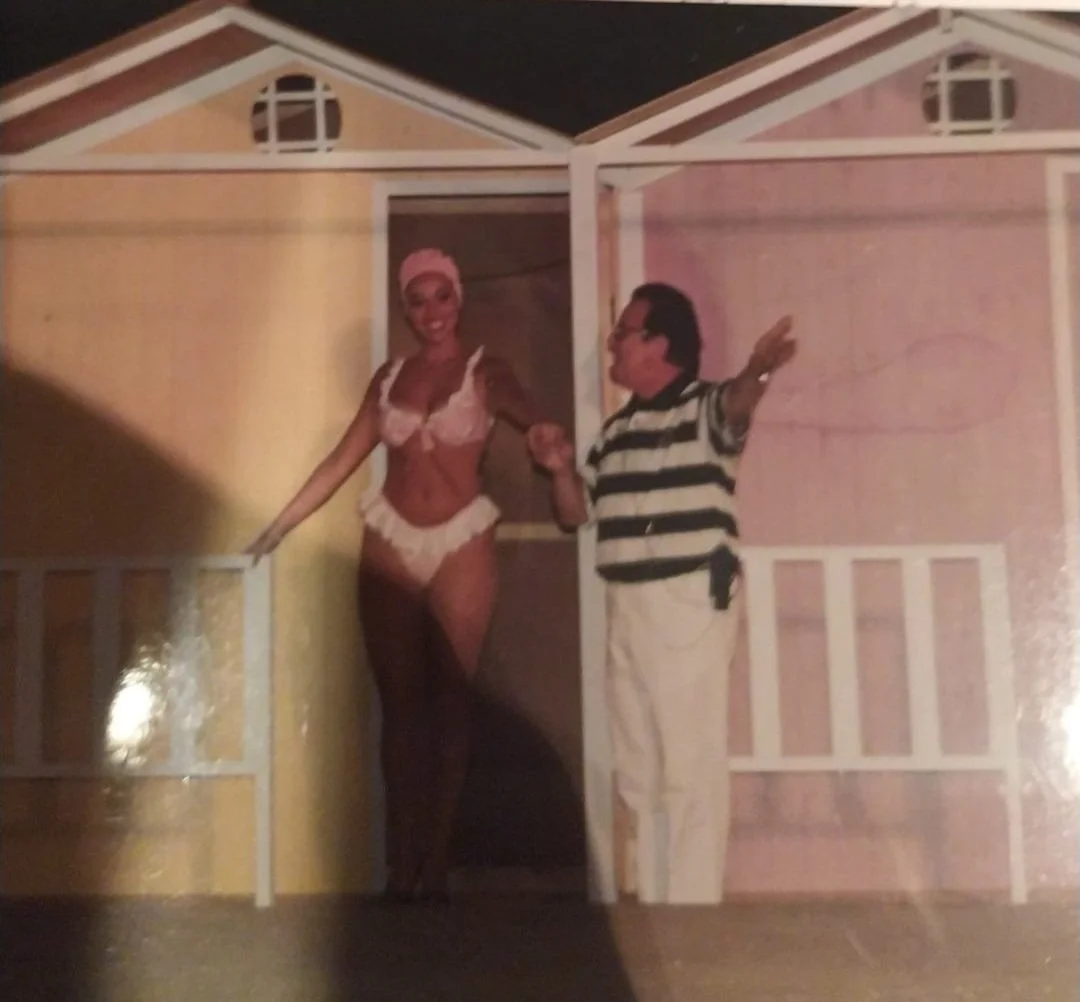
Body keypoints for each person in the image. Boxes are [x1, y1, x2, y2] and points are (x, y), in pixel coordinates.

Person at [248, 248, 562, 903]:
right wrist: (279, 525)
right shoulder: (389, 379)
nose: (431, 312)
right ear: (406, 310)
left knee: (451, 700)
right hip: (390, 534)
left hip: (461, 539)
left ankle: (436, 863)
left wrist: (544, 436)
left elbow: (530, 416)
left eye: (441, 296)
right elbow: (341, 461)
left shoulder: (486, 369)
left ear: (458, 298)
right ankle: (402, 866)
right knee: (400, 706)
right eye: (417, 301)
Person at [527, 282, 795, 905]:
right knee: (638, 765)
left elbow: (738, 405)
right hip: (627, 604)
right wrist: (561, 470)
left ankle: (693, 910)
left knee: (688, 759)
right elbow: (575, 514)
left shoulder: (705, 408)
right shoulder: (615, 432)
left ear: (659, 344)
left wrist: (758, 369)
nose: (612, 343)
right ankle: (654, 906)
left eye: (623, 332)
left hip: (688, 600)